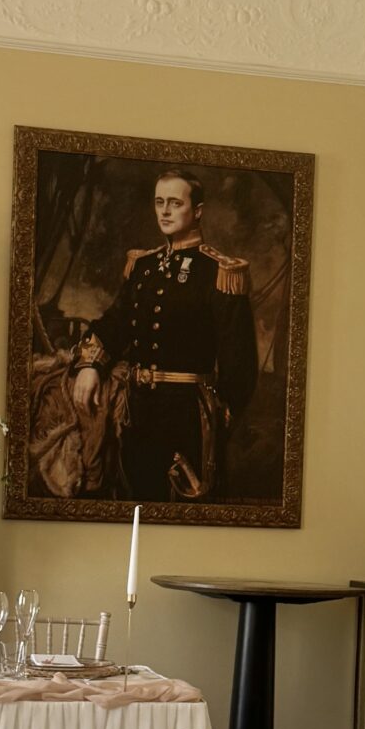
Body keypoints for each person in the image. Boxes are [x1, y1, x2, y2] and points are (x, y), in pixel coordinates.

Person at [69, 168, 257, 499]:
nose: (165, 211)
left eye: (175, 203)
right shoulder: (143, 266)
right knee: (135, 501)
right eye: (159, 202)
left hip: (188, 417)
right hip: (137, 413)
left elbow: (239, 361)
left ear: (197, 211)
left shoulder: (217, 271)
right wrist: (89, 366)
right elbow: (115, 324)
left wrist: (219, 418)